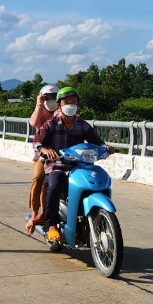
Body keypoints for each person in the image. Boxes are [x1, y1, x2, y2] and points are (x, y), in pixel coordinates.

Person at [33, 87, 116, 243]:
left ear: (78, 105)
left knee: (97, 179)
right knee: (55, 185)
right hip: (58, 166)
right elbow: (37, 142)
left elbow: (97, 142)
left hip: (80, 165)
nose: (70, 105)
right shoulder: (51, 124)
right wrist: (44, 149)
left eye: (74, 102)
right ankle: (51, 225)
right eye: (66, 102)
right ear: (59, 105)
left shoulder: (83, 125)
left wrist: (106, 147)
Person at [24, 85, 58, 233]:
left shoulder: (61, 112)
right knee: (38, 178)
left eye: (53, 98)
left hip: (62, 154)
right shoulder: (42, 114)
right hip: (42, 155)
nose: (50, 101)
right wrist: (39, 103)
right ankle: (35, 213)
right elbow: (34, 123)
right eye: (47, 98)